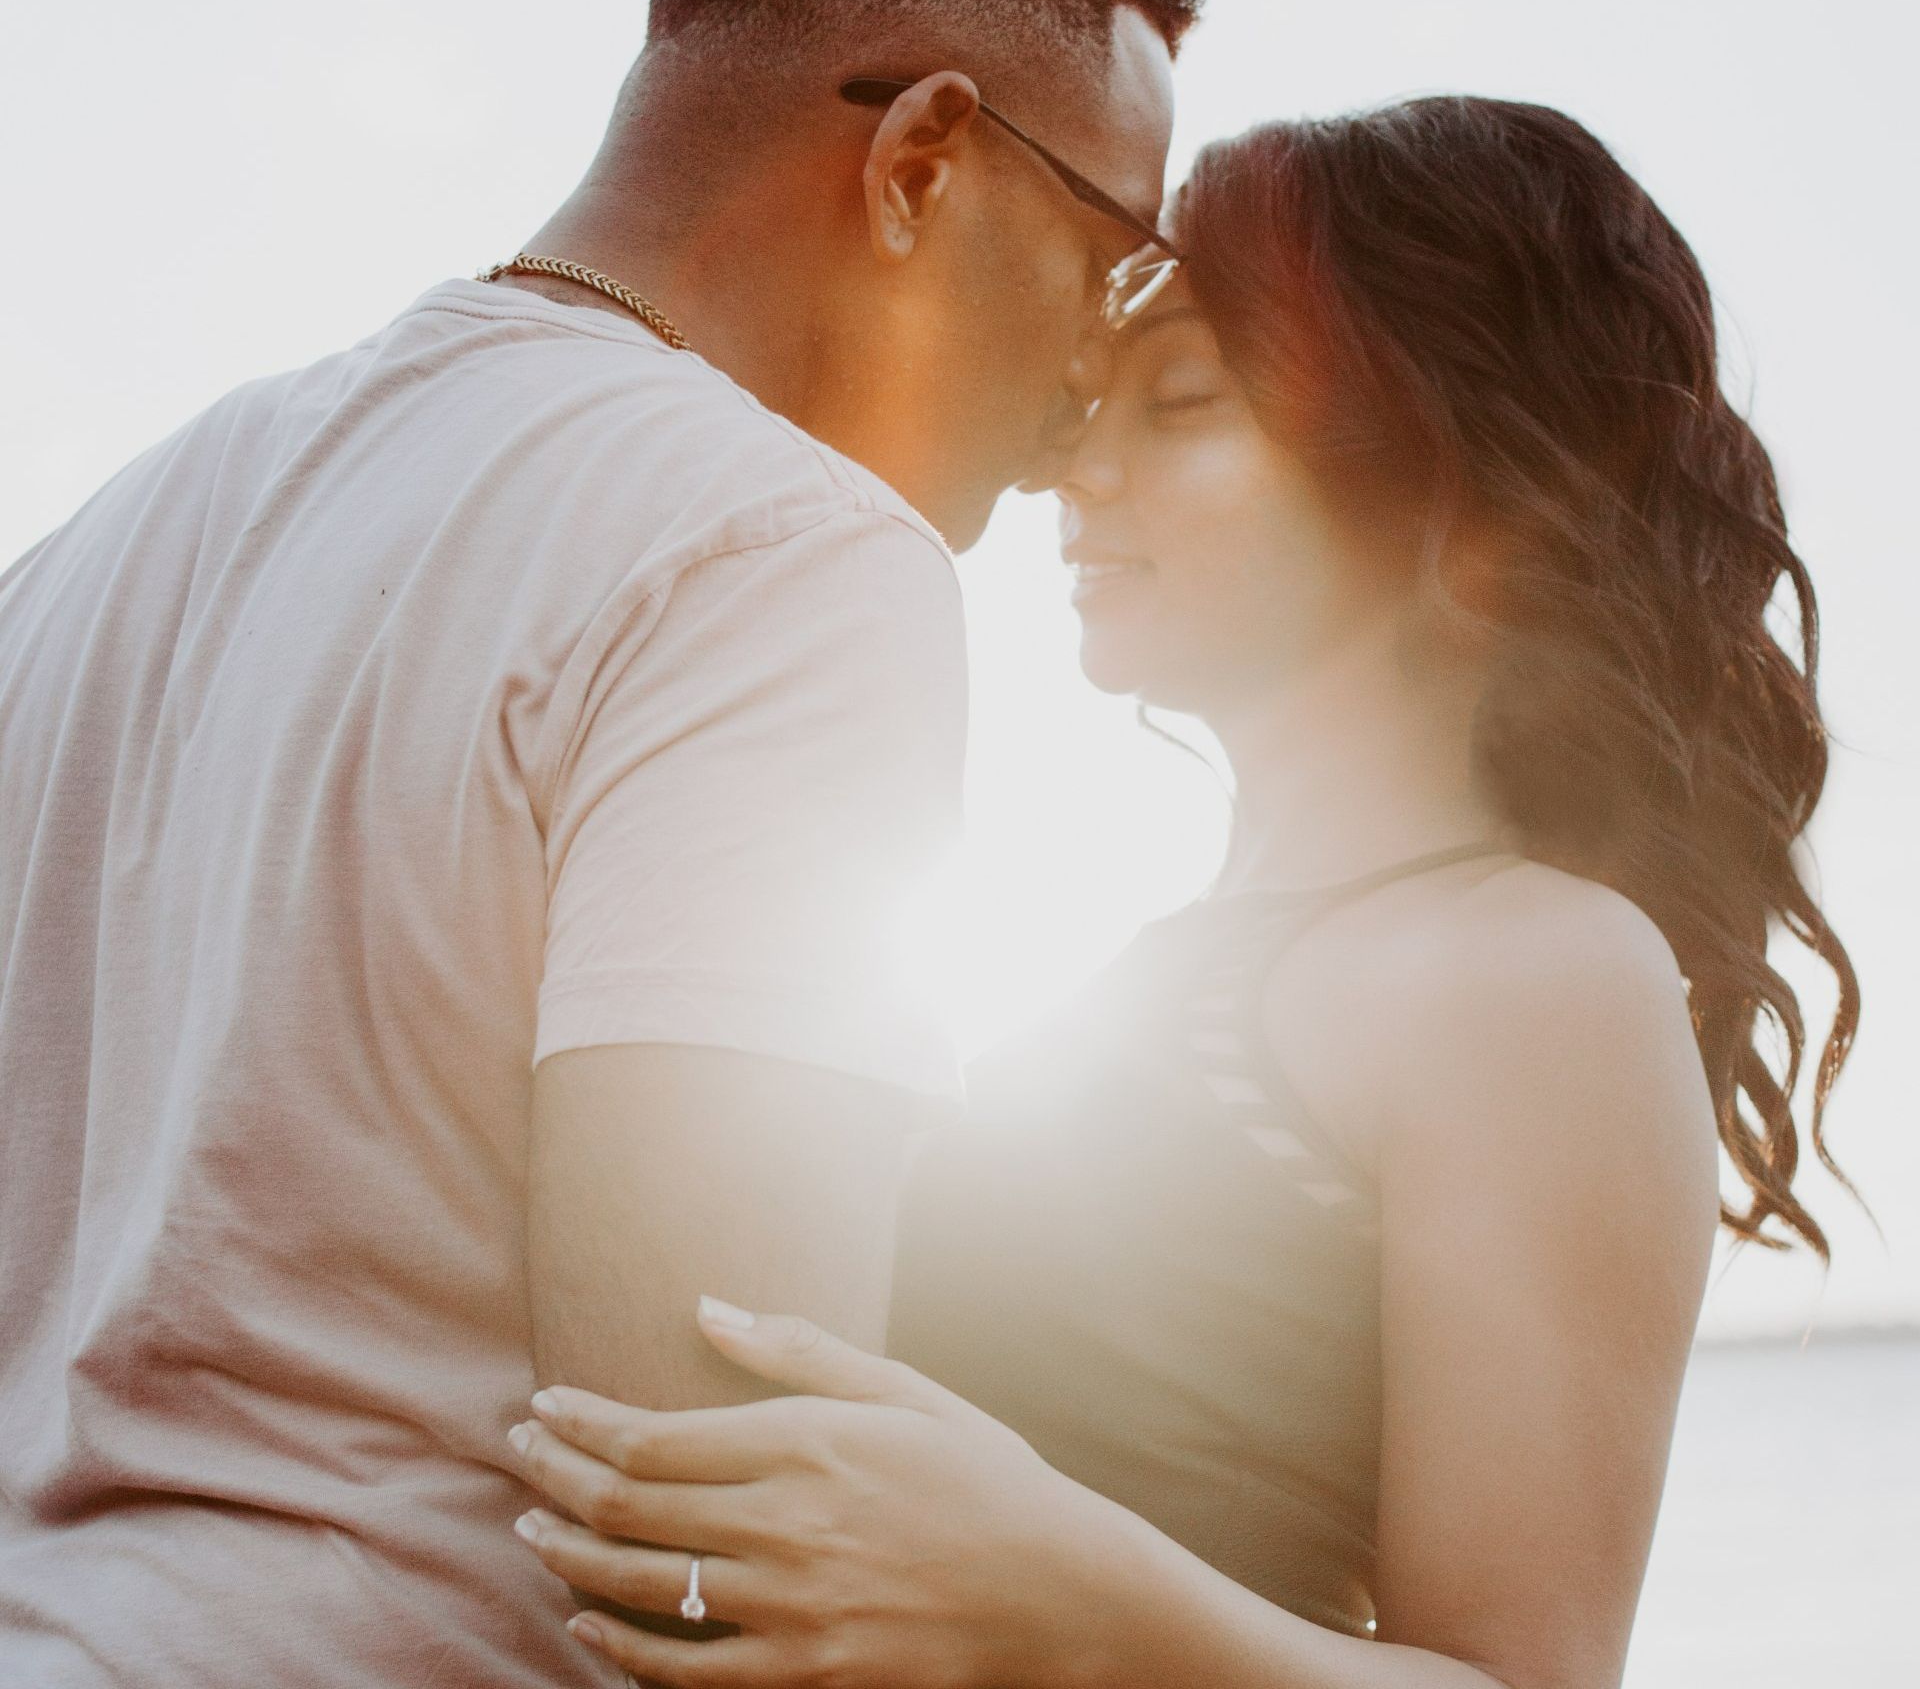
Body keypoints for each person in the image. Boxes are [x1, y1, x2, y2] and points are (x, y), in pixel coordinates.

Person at [0, 0, 1195, 1684]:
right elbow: (715, 1541)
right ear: (923, 161)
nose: (1100, 363)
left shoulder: (93, 554)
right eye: (1115, 251)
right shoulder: (790, 556)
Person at [505, 96, 1861, 1689]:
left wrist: (1064, 1589)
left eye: (1185, 401)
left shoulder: (1537, 972)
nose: (1079, 466)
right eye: (1095, 404)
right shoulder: (1147, 969)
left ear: (1460, 489)